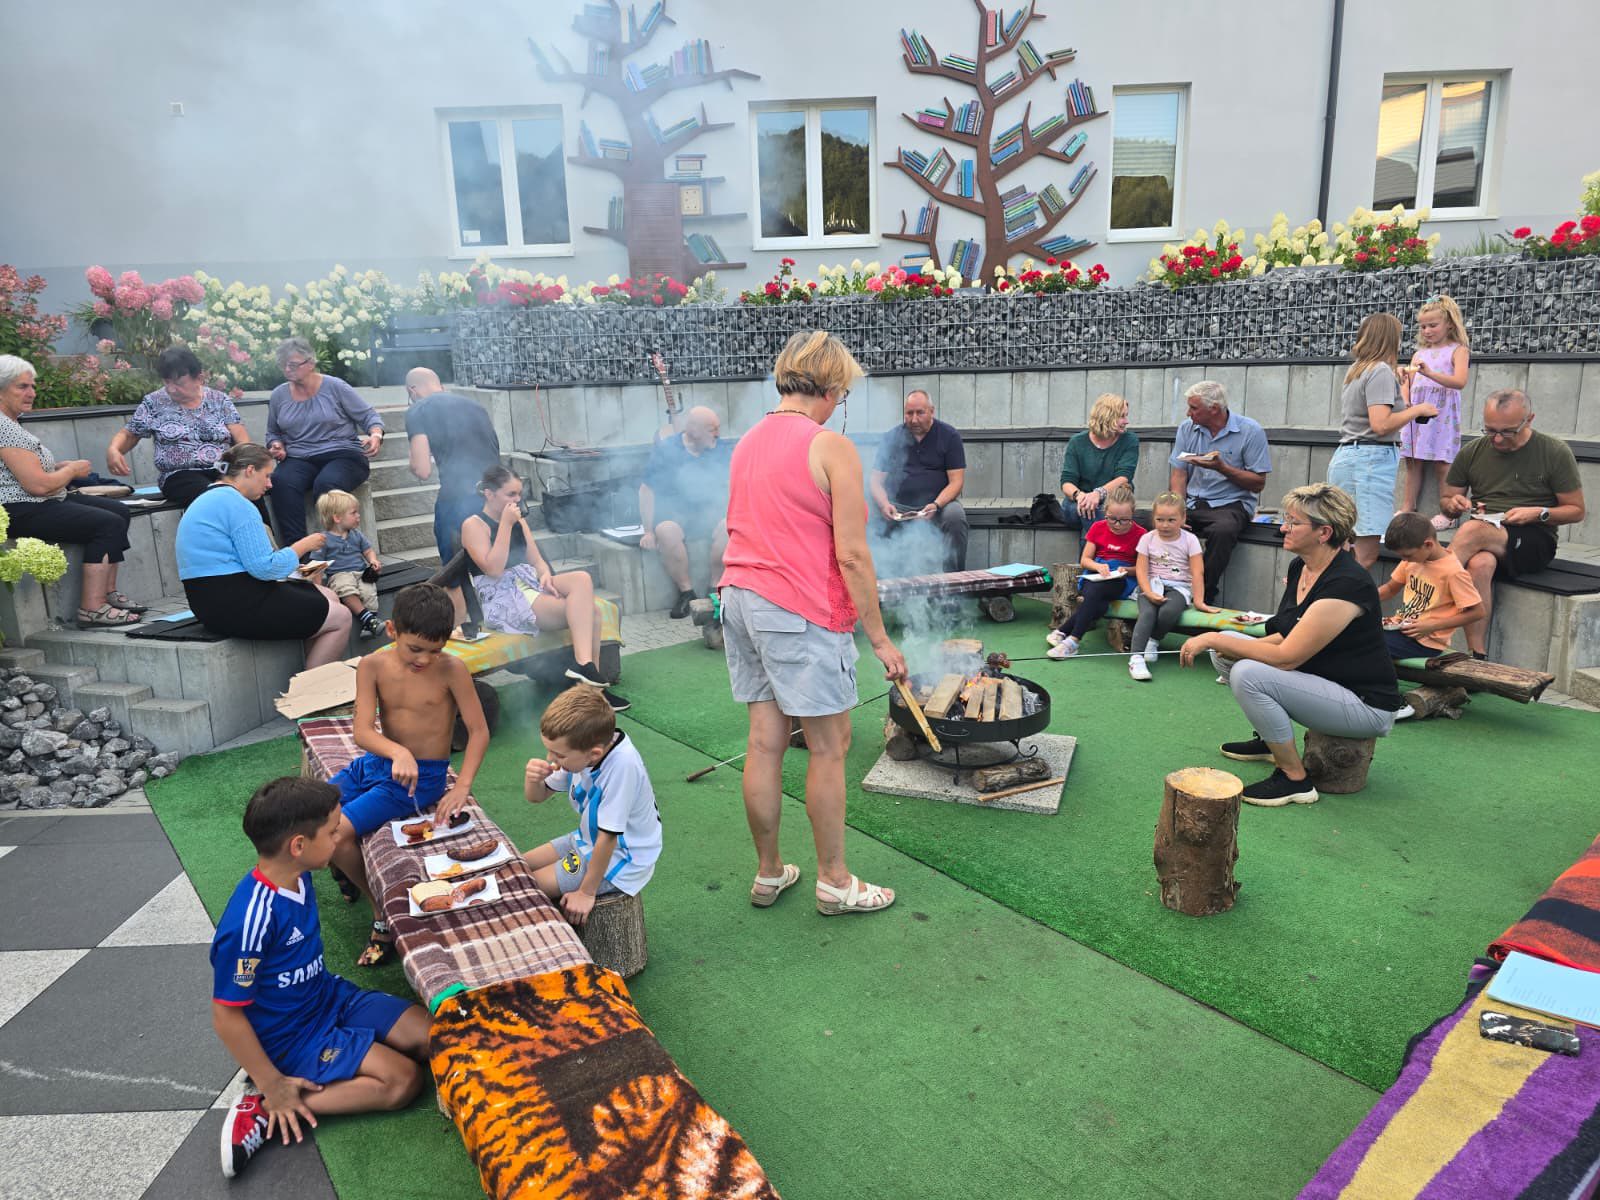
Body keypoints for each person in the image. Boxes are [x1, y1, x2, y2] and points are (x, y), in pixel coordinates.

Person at [719, 330, 908, 916]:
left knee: (764, 741)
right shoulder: (830, 447)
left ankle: (769, 872)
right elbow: (851, 555)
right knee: (830, 746)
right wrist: (880, 639)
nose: (839, 404)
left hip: (739, 598)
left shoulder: (747, 441)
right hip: (797, 608)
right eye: (842, 394)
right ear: (829, 386)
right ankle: (834, 881)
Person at [211, 776, 430, 1180]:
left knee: (433, 1035)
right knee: (404, 1082)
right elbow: (226, 1016)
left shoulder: (301, 873)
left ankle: (292, 1083)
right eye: (332, 832)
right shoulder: (249, 922)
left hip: (331, 997)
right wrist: (272, 1083)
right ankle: (267, 1106)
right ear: (298, 846)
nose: (339, 837)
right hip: (294, 1038)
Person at [1178, 484, 1404, 807]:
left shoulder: (1347, 584)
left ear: (1324, 532)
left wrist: (1214, 636)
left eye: (1293, 522)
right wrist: (1225, 645)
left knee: (1247, 673)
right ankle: (1271, 742)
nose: (1283, 528)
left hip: (1366, 705)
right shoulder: (1302, 566)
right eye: (1286, 519)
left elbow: (1286, 658)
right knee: (1228, 656)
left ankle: (1294, 779)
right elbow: (1286, 633)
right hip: (1325, 682)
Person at [327, 583, 489, 966]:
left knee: (336, 835)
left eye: (435, 650)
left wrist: (462, 786)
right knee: (316, 812)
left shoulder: (452, 669)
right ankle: (345, 871)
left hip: (421, 779)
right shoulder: (372, 665)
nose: (425, 659)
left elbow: (479, 731)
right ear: (391, 630)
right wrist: (397, 751)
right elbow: (362, 731)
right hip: (377, 762)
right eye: (415, 648)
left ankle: (382, 914)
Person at [461, 465, 628, 712]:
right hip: (503, 599)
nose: (517, 499)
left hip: (528, 585)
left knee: (582, 578)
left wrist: (546, 576)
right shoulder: (474, 525)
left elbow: (537, 561)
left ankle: (585, 668)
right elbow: (493, 569)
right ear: (489, 494)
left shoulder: (518, 520)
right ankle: (592, 689)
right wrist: (505, 525)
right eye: (510, 494)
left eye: (519, 493)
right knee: (591, 613)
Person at [1439, 389, 1586, 658]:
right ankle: (1477, 655)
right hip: (1485, 534)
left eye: (1507, 432)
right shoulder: (1473, 451)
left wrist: (1539, 513)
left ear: (1529, 420)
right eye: (1490, 430)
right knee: (1480, 564)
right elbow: (1447, 499)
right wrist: (1453, 505)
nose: (1497, 438)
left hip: (1534, 538)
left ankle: (1426, 597)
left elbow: (1576, 511)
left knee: (1472, 530)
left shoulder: (1553, 451)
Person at [0, 354, 143, 628]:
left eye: (32, 386)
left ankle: (108, 593)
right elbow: (38, 486)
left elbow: (22, 471)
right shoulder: (4, 428)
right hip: (21, 508)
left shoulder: (10, 423)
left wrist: (58, 467)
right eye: (22, 387)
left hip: (35, 501)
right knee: (107, 523)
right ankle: (92, 608)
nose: (32, 393)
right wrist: (72, 470)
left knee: (119, 511)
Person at [176, 443, 351, 667]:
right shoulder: (238, 504)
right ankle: (312, 687)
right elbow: (265, 568)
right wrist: (303, 546)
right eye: (267, 476)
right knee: (341, 617)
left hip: (209, 603)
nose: (269, 485)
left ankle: (312, 676)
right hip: (235, 604)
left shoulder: (207, 497)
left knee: (328, 596)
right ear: (250, 470)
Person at [522, 686, 661, 927]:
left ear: (594, 754)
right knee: (516, 865)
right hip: (586, 839)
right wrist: (532, 779)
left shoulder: (622, 766)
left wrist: (586, 892)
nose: (551, 759)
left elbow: (609, 837)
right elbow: (537, 797)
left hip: (621, 858)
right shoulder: (578, 752)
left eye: (558, 755)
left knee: (526, 888)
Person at [1327, 313, 1438, 568]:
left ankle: (1324, 590)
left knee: (1342, 547)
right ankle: (1341, 593)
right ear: (1391, 339)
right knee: (1365, 554)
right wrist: (1418, 409)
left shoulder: (1358, 370)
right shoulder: (1379, 371)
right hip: (1370, 461)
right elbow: (1381, 425)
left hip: (1349, 457)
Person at [265, 337, 385, 546]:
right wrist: (276, 445)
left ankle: (338, 548)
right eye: (282, 365)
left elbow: (368, 416)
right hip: (300, 457)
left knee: (327, 484)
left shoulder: (335, 386)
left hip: (343, 454)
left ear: (310, 363)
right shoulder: (279, 395)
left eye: (292, 365)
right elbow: (273, 432)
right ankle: (299, 551)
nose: (287, 369)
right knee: (282, 482)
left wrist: (376, 435)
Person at [106, 345, 252, 507]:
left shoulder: (220, 400)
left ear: (199, 378)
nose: (171, 389)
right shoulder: (154, 402)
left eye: (179, 383)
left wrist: (247, 468)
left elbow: (242, 442)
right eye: (167, 382)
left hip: (222, 470)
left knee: (249, 490)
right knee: (215, 495)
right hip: (180, 476)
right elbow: (129, 434)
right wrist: (114, 450)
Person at [1167, 380, 1272, 599]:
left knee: (1223, 531)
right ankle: (1161, 585)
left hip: (1231, 503)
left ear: (1214, 409)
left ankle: (1203, 592)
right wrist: (1177, 509)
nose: (1188, 413)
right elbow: (1179, 474)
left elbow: (1258, 483)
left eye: (1194, 408)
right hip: (1193, 501)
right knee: (1155, 520)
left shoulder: (1250, 431)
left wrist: (1222, 468)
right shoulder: (1187, 428)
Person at [638, 405, 732, 618]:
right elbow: (646, 489)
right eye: (712, 429)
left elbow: (733, 485)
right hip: (676, 515)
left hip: (711, 513)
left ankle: (714, 588)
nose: (717, 434)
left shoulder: (721, 448)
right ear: (694, 429)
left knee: (729, 526)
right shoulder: (667, 450)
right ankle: (686, 592)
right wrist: (648, 531)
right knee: (666, 531)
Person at [403, 367, 502, 565]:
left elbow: (422, 470)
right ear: (440, 386)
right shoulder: (475, 406)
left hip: (459, 498)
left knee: (455, 568)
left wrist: (413, 459)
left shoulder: (418, 409)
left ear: (412, 390)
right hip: (496, 493)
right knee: (499, 562)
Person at [869, 389, 968, 572]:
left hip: (938, 505)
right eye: (909, 413)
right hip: (898, 506)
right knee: (868, 513)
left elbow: (956, 482)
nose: (914, 420)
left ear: (932, 411)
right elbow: (875, 481)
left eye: (920, 413)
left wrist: (936, 504)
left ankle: (954, 579)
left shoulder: (949, 436)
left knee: (955, 517)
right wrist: (884, 504)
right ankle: (879, 579)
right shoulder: (892, 438)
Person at [1047, 486, 1145, 659]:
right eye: (1112, 519)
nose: (1117, 524)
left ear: (1133, 514)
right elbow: (1085, 560)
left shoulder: (1141, 534)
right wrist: (1098, 567)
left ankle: (1072, 640)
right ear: (1105, 512)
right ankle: (1064, 633)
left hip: (1122, 580)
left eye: (1124, 520)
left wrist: (1126, 570)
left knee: (1095, 592)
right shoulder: (1098, 527)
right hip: (1096, 574)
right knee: (1098, 603)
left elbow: (1143, 568)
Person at [1376, 510, 1484, 668]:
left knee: (1370, 646)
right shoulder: (1412, 560)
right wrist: (1360, 599)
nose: (1405, 560)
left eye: (1408, 555)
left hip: (1426, 642)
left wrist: (1432, 626)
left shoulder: (1453, 572)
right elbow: (1390, 588)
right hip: (1401, 628)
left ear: (1428, 544)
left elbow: (1478, 612)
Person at [1399, 295, 1472, 528]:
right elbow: (1408, 382)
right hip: (1417, 412)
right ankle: (1407, 507)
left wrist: (1429, 373)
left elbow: (1459, 381)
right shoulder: (1419, 354)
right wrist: (1406, 400)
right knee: (1413, 461)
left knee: (1443, 463)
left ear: (1449, 323)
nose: (1427, 331)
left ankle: (1448, 513)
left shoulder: (1458, 350)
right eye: (1423, 326)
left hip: (1442, 414)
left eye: (1433, 325)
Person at [1127, 491, 1216, 681]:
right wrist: (1148, 592)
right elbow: (1141, 570)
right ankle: (1136, 658)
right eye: (1160, 519)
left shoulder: (1190, 540)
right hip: (1152, 584)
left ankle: (1153, 639)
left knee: (1168, 612)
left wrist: (1199, 601)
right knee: (1148, 613)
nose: (1165, 525)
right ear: (1153, 518)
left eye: (1171, 520)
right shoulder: (1148, 538)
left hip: (1179, 587)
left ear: (1183, 518)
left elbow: (1197, 572)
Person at [1058, 392, 1139, 530]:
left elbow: (1124, 477)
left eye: (1126, 415)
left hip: (1114, 500)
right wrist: (1080, 496)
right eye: (1122, 416)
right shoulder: (1077, 442)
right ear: (1107, 417)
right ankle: (1099, 544)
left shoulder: (1129, 440)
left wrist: (1097, 494)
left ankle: (1089, 544)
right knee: (1087, 509)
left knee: (1101, 512)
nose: (1127, 421)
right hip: (1079, 501)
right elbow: (1067, 481)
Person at [316, 489, 383, 640]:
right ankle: (369, 620)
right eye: (353, 513)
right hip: (339, 575)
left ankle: (369, 624)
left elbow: (368, 550)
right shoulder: (323, 539)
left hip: (360, 572)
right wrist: (318, 588)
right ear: (337, 518)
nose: (358, 516)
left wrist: (373, 560)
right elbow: (318, 565)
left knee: (369, 592)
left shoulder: (356, 534)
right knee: (345, 589)